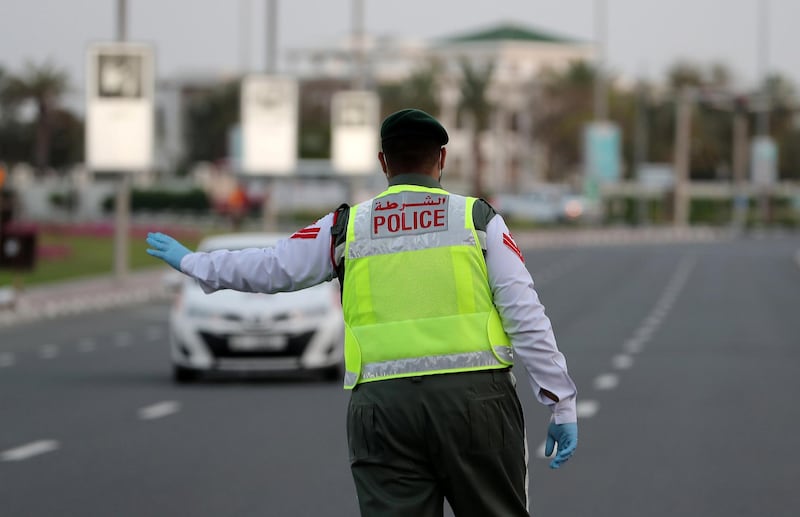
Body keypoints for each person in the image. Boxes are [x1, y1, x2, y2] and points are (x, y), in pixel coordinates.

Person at [146, 108, 578, 517]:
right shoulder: (477, 220)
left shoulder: (347, 226)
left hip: (382, 412)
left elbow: (272, 266)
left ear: (383, 162)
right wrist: (560, 402)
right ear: (442, 158)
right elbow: (526, 315)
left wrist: (194, 263)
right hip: (476, 405)